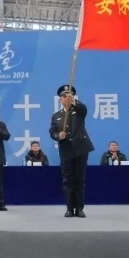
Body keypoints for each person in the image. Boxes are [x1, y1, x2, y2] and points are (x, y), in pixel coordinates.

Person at [49, 85, 95, 218]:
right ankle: (70, 208)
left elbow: (83, 109)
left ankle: (79, 208)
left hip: (81, 149)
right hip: (66, 149)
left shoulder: (78, 110)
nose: (66, 98)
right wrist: (58, 136)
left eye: (69, 95)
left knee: (80, 179)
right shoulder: (56, 116)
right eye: (64, 96)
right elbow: (52, 132)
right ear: (60, 99)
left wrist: (74, 102)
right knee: (67, 180)